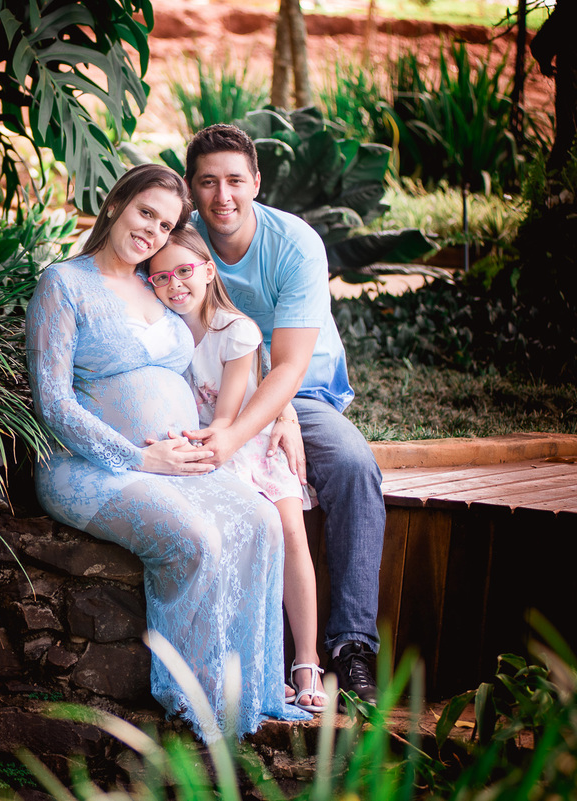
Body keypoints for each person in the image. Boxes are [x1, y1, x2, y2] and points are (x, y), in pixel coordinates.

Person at [25, 163, 310, 740]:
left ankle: (250, 686)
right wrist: (138, 458)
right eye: (146, 213)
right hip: (89, 469)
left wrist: (284, 409)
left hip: (175, 463)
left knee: (260, 521)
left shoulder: (156, 283)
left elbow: (232, 343)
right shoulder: (64, 284)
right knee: (195, 539)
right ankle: (195, 700)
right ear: (115, 206)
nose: (153, 231)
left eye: (167, 224)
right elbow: (51, 403)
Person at [183, 124, 384, 706]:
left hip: (299, 391)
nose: (224, 196)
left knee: (352, 466)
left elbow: (291, 366)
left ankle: (350, 645)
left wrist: (255, 426)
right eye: (208, 182)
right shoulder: (185, 242)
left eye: (235, 181)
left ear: (257, 182)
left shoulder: (294, 244)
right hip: (214, 390)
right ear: (193, 188)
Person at [147, 228, 326, 713]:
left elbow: (226, 418)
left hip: (248, 441)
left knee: (290, 532)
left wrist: (197, 441)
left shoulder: (237, 330)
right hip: (204, 445)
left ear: (208, 271)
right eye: (160, 277)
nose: (174, 284)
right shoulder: (164, 328)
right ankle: (253, 663)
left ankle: (306, 660)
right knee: (231, 539)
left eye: (184, 271)